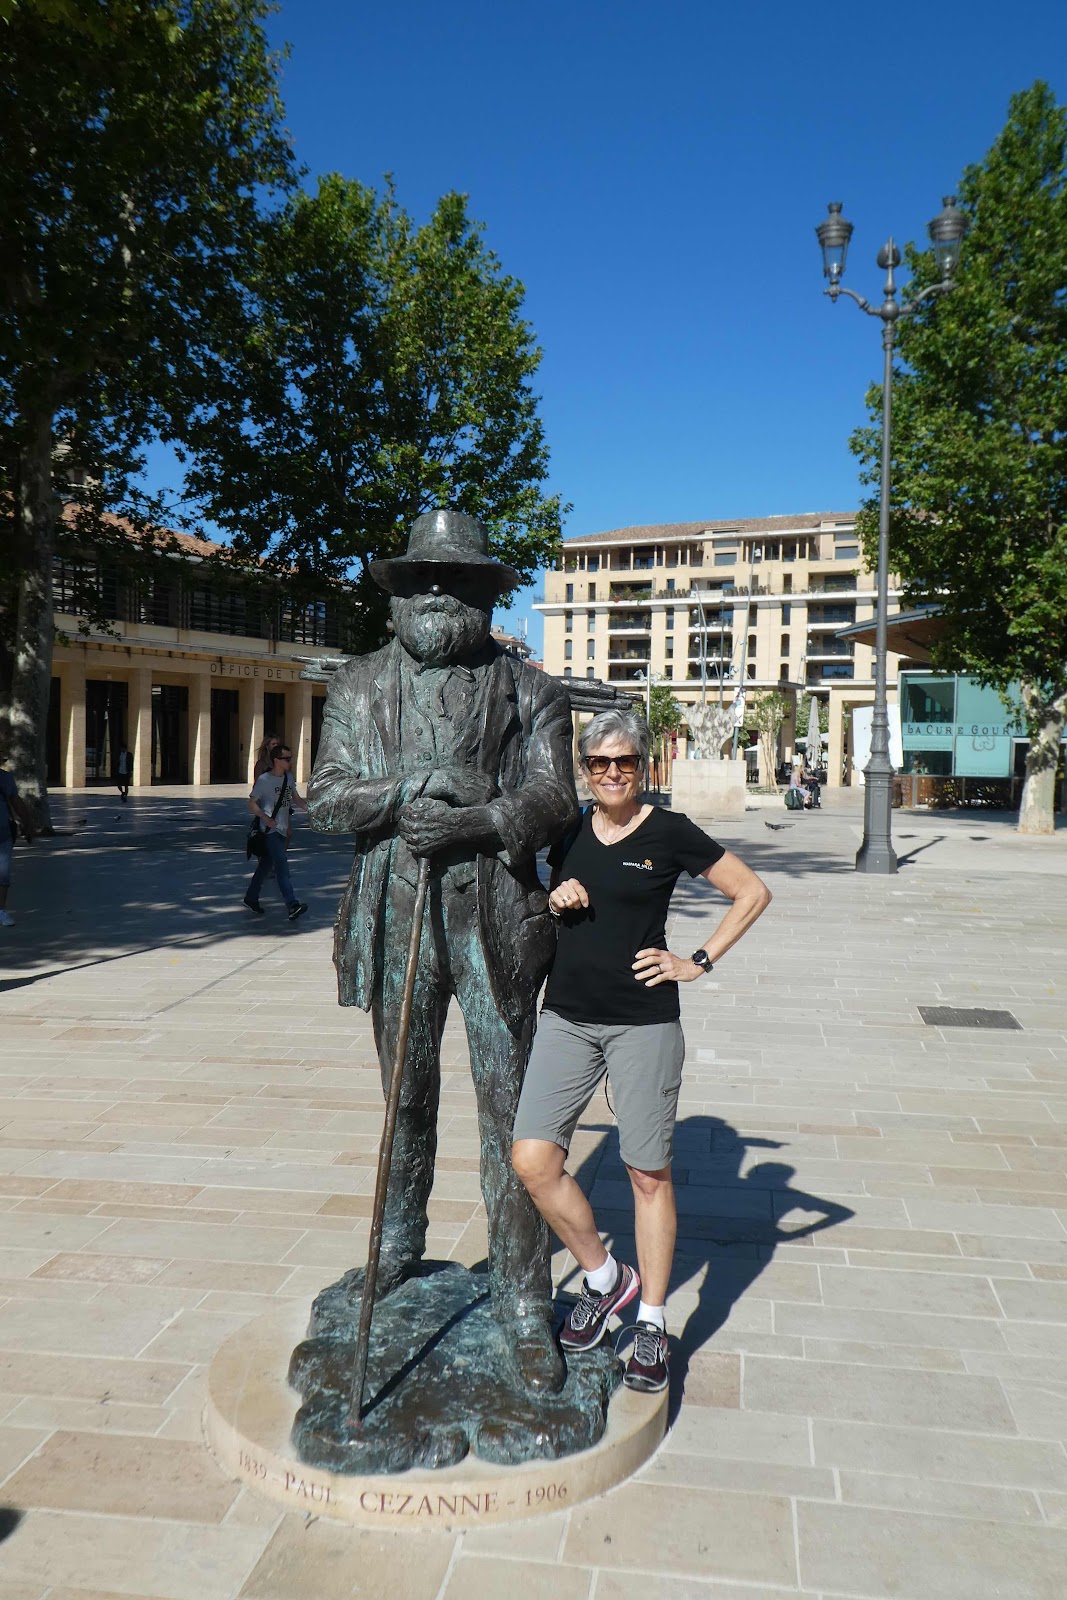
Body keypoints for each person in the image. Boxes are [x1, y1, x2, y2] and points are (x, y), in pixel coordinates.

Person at [307, 508, 578, 1394]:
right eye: (420, 580)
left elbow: (554, 799)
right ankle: (394, 1248)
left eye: (455, 581)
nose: (435, 593)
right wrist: (417, 785)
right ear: (395, 596)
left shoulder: (531, 690)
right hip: (396, 917)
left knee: (511, 1115)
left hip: (496, 920)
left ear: (485, 596)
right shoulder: (357, 686)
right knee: (405, 1095)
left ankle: (523, 1296)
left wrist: (479, 819)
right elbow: (327, 799)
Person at [512, 708, 771, 1394]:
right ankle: (605, 1278)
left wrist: (697, 961)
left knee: (647, 1175)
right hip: (566, 1017)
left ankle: (651, 1322)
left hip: (643, 1022)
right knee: (533, 1160)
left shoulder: (669, 831)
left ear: (643, 765)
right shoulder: (568, 830)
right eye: (598, 763)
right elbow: (540, 894)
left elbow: (751, 891)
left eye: (623, 761)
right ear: (585, 769)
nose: (611, 773)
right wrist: (555, 894)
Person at [245, 744, 308, 921]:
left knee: (265, 865)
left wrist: (310, 810)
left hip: (282, 829)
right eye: (286, 759)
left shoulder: (288, 777)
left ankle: (251, 897)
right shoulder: (265, 780)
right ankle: (292, 904)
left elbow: (295, 798)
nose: (290, 762)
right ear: (276, 761)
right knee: (281, 866)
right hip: (269, 831)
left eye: (290, 758)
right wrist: (265, 818)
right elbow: (251, 803)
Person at [0, 762, 36, 928]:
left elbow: (16, 801)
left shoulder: (5, 778)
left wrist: (27, 823)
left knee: (3, 874)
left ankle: (1, 911)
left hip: (3, 834)